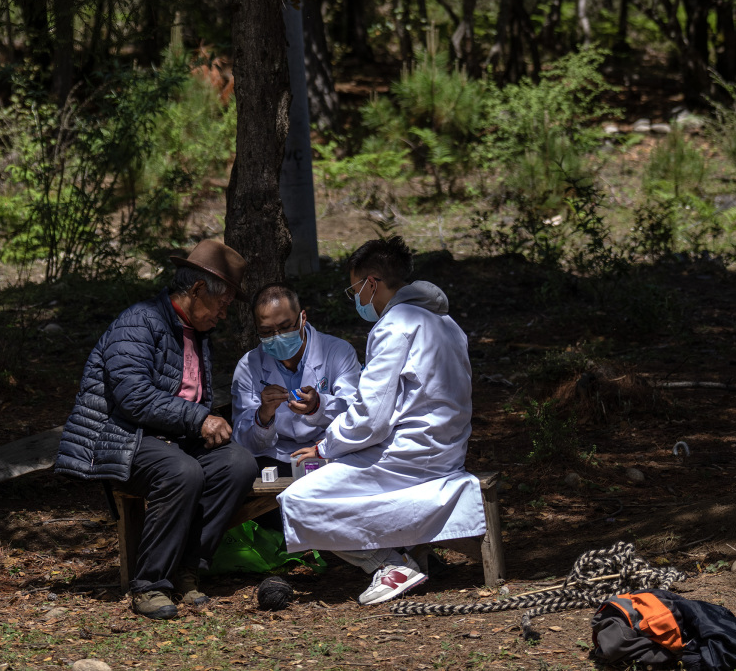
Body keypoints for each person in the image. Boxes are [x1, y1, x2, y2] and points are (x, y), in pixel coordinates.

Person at [54, 239, 258, 621]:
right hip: (121, 438)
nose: (224, 313)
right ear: (197, 290)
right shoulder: (140, 321)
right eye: (223, 303)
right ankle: (149, 584)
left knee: (238, 464)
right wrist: (200, 420)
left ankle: (187, 569)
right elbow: (132, 396)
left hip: (172, 439)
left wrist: (200, 423)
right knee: (181, 471)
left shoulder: (197, 333)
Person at [279, 235, 485, 607]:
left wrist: (326, 447)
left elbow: (371, 419)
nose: (356, 299)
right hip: (447, 451)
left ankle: (389, 565)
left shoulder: (394, 326)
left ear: (371, 283)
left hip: (408, 456)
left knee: (298, 499)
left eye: (354, 289)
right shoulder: (446, 323)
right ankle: (412, 555)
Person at [230, 282, 361, 477]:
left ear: (302, 318)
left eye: (285, 327)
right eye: (266, 332)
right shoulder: (249, 366)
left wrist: (319, 406)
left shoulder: (338, 352)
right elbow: (244, 439)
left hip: (328, 449)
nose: (277, 337)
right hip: (274, 455)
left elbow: (355, 413)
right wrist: (263, 416)